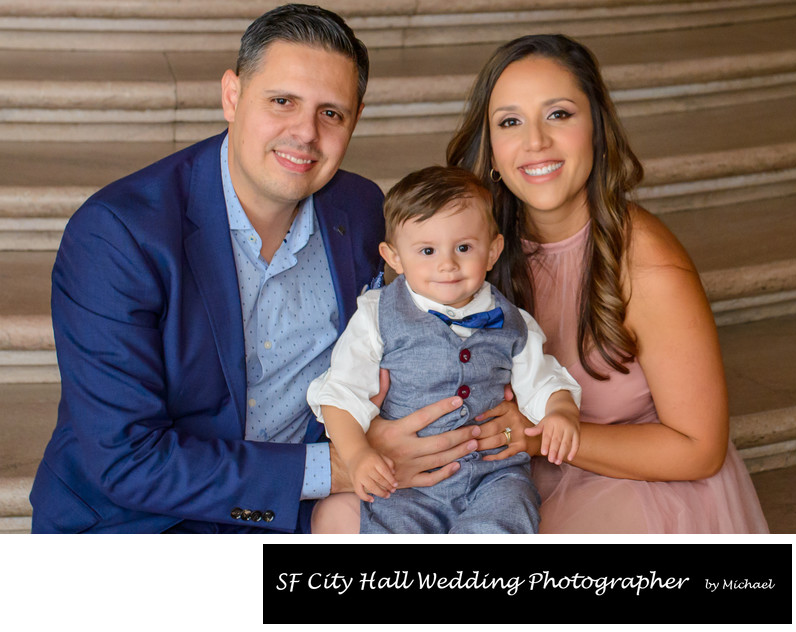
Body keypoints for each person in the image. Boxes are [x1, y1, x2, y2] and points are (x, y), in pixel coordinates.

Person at [29, 4, 478, 534]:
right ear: (232, 96)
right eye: (282, 101)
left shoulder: (358, 210)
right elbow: (127, 458)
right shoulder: (118, 234)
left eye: (330, 113)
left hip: (301, 515)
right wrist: (335, 468)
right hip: (143, 523)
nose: (305, 133)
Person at [446, 34, 769, 533]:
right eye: (511, 122)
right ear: (490, 149)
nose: (535, 142)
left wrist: (535, 437)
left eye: (558, 114)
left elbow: (698, 450)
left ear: (596, 128)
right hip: (507, 475)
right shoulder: (473, 246)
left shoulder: (648, 264)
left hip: (643, 487)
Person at [307, 166, 581, 533]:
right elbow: (341, 393)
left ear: (492, 250)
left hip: (494, 476)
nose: (447, 264)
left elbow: (542, 381)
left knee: (512, 511)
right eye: (427, 250)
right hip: (408, 482)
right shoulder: (377, 314)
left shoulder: (513, 321)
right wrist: (357, 456)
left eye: (464, 248)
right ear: (394, 257)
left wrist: (561, 411)